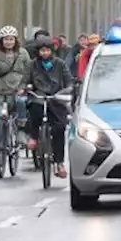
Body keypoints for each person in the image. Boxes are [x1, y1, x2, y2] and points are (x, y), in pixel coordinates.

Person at [26, 35, 72, 179]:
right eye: (42, 51)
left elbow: (68, 80)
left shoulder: (60, 64)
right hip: (39, 95)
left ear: (52, 51)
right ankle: (34, 137)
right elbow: (25, 80)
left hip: (56, 98)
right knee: (35, 109)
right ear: (38, 52)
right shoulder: (32, 65)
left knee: (59, 128)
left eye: (47, 50)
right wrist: (24, 88)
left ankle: (59, 163)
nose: (44, 53)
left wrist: (67, 90)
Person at [0, 25, 31, 171]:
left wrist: (24, 86)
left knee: (21, 105)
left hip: (18, 90)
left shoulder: (23, 53)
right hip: (0, 91)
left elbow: (29, 71)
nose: (8, 42)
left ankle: (21, 133)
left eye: (11, 39)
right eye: (6, 39)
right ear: (1, 40)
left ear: (15, 40)